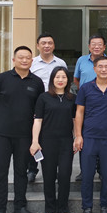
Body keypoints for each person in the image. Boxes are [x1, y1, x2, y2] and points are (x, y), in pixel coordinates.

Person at [0, 46, 44, 213]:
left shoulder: (37, 82)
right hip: (2, 134)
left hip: (24, 135)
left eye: (28, 58)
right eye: (21, 57)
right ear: (14, 60)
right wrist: (4, 116)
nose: (24, 60)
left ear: (32, 60)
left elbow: (39, 109)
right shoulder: (2, 79)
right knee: (0, 173)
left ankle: (20, 206)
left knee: (21, 172)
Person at [73, 56, 107, 213]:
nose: (103, 69)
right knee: (87, 175)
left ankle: (105, 206)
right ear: (94, 69)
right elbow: (79, 112)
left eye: (106, 66)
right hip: (89, 137)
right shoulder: (86, 88)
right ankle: (86, 208)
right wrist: (78, 135)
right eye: (100, 66)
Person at [29, 66, 76, 213]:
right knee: (48, 176)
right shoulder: (43, 98)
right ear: (52, 79)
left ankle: (63, 209)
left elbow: (75, 120)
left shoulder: (72, 98)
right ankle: (49, 209)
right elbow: (38, 120)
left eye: (63, 77)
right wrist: (35, 141)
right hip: (47, 142)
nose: (60, 80)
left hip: (66, 142)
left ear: (68, 80)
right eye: (57, 77)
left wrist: (77, 137)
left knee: (64, 175)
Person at [28, 33, 68, 183]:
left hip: (55, 105)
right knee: (35, 136)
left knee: (52, 139)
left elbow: (65, 81)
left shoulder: (61, 63)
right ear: (38, 46)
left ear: (54, 45)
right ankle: (32, 169)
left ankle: (54, 169)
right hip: (36, 104)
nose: (47, 46)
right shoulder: (32, 63)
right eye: (43, 43)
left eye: (50, 43)